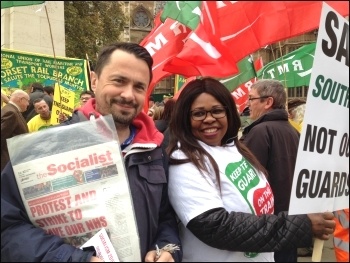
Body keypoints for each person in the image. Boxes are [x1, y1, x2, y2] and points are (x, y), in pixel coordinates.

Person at [1, 42, 182, 262]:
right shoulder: (45, 147)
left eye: (139, 86)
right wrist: (74, 259)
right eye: (119, 81)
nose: (128, 94)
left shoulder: (156, 150)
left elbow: (165, 218)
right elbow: (8, 228)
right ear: (95, 81)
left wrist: (166, 248)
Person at [166, 77, 335, 262]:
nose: (209, 119)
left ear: (229, 113)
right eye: (198, 114)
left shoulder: (234, 147)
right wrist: (301, 225)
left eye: (217, 111)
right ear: (185, 118)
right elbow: (217, 227)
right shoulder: (184, 160)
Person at [239, 79, 301, 262]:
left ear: (268, 102)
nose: (247, 104)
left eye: (251, 99)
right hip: (291, 221)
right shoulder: (292, 130)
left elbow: (245, 181)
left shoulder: (260, 132)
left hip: (269, 223)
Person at [1, 89, 30, 172]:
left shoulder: (11, 110)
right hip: (8, 161)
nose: (28, 104)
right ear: (21, 99)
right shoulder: (11, 113)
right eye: (27, 101)